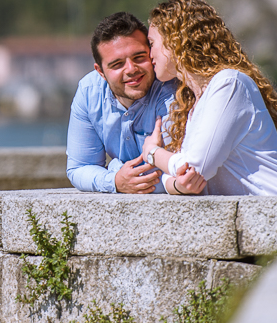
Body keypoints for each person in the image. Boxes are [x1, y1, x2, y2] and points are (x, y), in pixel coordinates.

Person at [141, 0, 277, 196]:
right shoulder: (194, 103)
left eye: (152, 43)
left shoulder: (229, 84)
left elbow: (196, 168)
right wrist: (178, 184)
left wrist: (153, 152)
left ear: (174, 41)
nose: (149, 54)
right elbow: (185, 177)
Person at [66, 11, 200, 194]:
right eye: (117, 64)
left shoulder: (172, 87)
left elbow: (179, 171)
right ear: (100, 71)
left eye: (139, 57)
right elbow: (79, 168)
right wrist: (114, 179)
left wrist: (115, 168)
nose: (131, 69)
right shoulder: (89, 92)